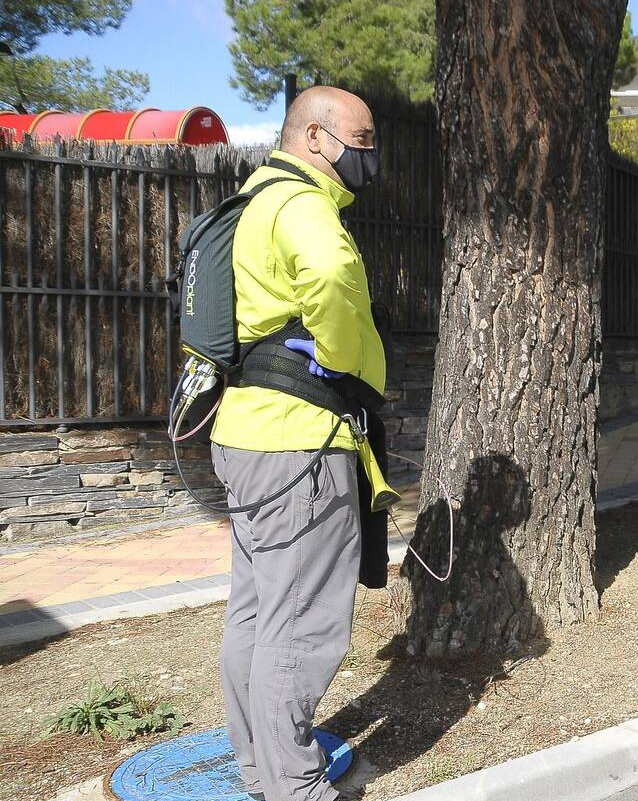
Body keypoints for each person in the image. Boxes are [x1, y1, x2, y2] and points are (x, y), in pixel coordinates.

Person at [209, 85, 386, 801]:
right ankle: (296, 786)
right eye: (363, 139)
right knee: (302, 623)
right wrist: (349, 363)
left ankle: (260, 770)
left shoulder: (254, 197)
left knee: (255, 613)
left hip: (247, 431)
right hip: (300, 442)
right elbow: (332, 277)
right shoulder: (305, 204)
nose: (371, 154)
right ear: (316, 136)